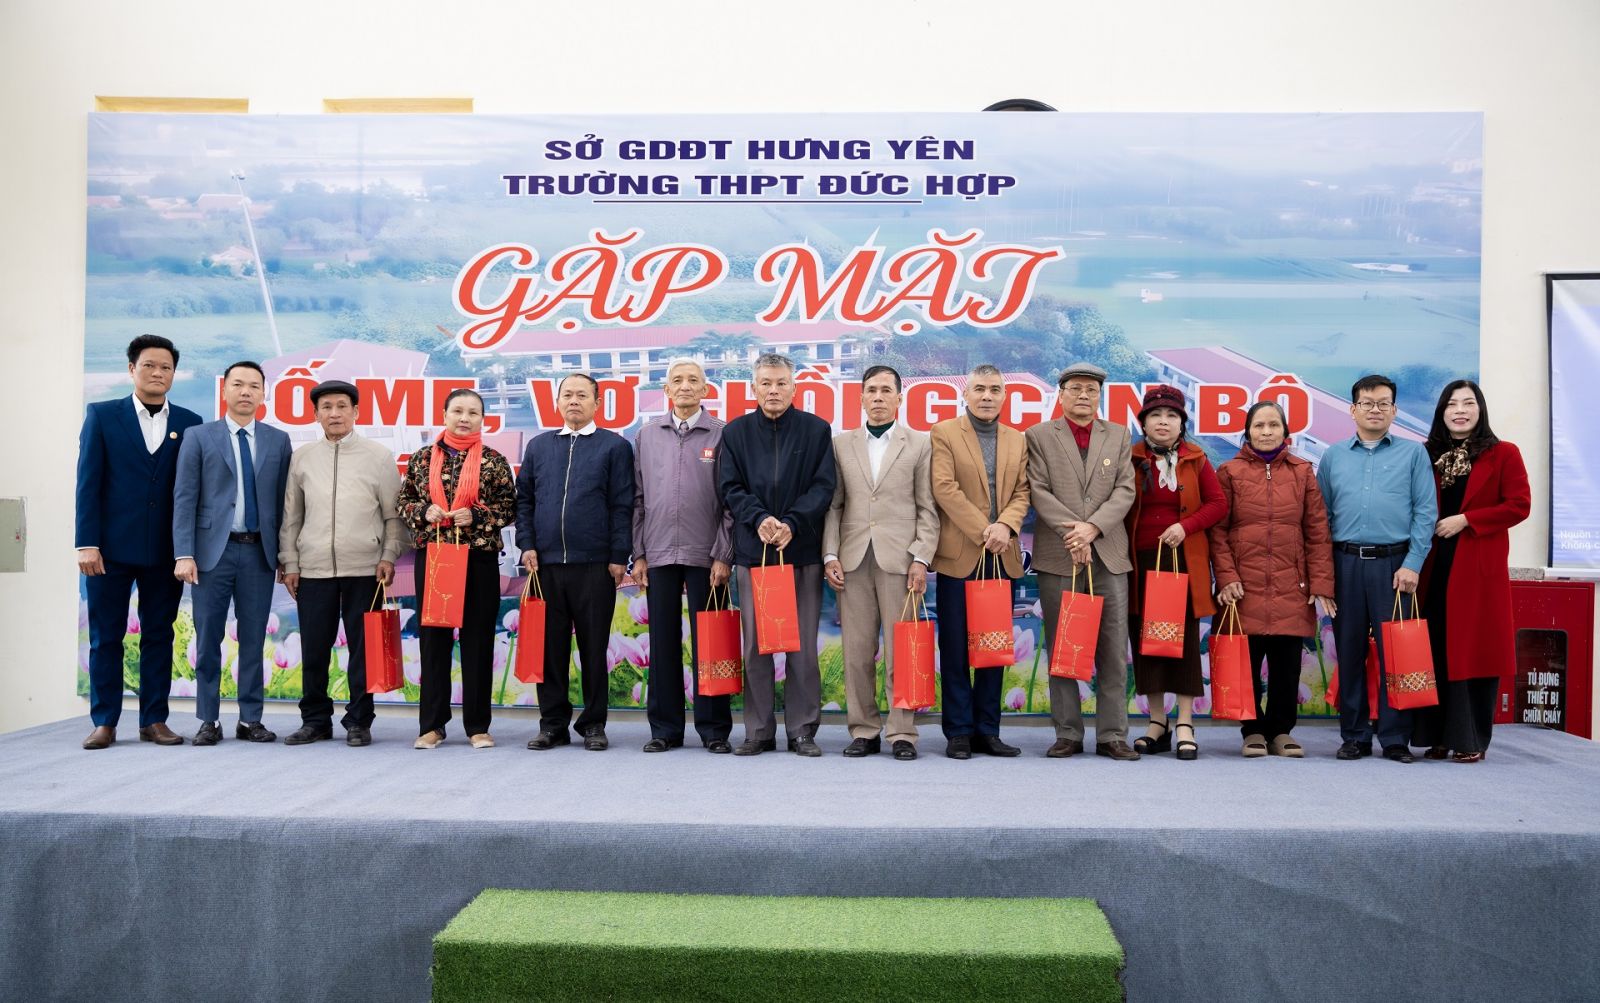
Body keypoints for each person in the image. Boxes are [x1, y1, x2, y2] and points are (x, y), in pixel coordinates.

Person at [76, 335, 203, 749]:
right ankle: (105, 721)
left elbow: (191, 491)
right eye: (149, 365)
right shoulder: (102, 415)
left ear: (174, 374)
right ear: (132, 369)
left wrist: (187, 548)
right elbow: (88, 483)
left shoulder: (190, 422)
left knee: (159, 636)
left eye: (166, 367)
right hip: (108, 551)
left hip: (165, 552)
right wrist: (86, 542)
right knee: (105, 637)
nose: (157, 373)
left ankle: (154, 719)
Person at [718, 353, 837, 756]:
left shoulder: (816, 430)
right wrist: (759, 518)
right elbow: (729, 487)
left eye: (781, 383)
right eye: (766, 383)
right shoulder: (735, 433)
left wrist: (792, 522)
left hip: (800, 551)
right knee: (756, 646)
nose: (773, 390)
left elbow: (824, 487)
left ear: (794, 387)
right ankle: (758, 730)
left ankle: (802, 730)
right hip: (755, 554)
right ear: (753, 388)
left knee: (801, 646)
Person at [278, 380, 406, 748]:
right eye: (327, 407)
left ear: (356, 412)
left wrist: (388, 555)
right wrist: (290, 562)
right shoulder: (303, 457)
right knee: (314, 648)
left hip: (366, 569)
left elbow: (393, 515)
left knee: (364, 650)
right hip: (313, 569)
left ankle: (359, 721)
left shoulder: (378, 456)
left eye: (342, 406)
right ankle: (315, 720)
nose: (334, 414)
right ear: (316, 414)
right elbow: (291, 516)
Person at [1317, 374, 1437, 763]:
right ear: (1353, 409)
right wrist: (1324, 576)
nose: (1375, 409)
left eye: (1383, 403)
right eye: (1367, 403)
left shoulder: (1413, 454)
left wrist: (1413, 563)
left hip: (1395, 567)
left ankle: (1395, 737)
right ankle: (1354, 735)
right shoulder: (1334, 456)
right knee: (1349, 651)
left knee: (1396, 653)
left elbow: (1425, 512)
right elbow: (1320, 519)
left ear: (1394, 410)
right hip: (1345, 564)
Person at [823, 365, 939, 761]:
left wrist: (921, 557)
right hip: (853, 560)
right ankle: (864, 730)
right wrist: (830, 554)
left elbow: (928, 507)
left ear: (899, 398)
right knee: (856, 652)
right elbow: (835, 505)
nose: (878, 397)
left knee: (902, 651)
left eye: (886, 390)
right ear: (860, 397)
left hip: (901, 561)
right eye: (871, 390)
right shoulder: (841, 444)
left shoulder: (920, 443)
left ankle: (902, 732)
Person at [172, 361, 292, 746]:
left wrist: (285, 557)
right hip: (212, 554)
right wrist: (184, 553)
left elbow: (284, 504)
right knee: (208, 639)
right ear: (224, 390)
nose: (245, 392)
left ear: (263, 393)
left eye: (254, 386)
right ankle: (208, 719)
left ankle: (250, 719)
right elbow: (184, 498)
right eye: (238, 384)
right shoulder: (198, 436)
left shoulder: (278, 440)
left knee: (254, 639)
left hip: (259, 553)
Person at [1026, 361, 1139, 761]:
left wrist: (1092, 529)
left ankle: (1112, 735)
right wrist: (1073, 533)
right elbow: (1038, 490)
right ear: (1061, 394)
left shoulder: (1118, 434)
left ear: (1099, 396)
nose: (1083, 396)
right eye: (1075, 388)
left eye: (1091, 390)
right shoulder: (1039, 435)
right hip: (1059, 555)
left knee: (1113, 649)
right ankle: (1068, 733)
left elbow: (1125, 490)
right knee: (1063, 647)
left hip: (1108, 554)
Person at [1210, 401, 1336, 758]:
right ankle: (1252, 731)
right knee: (1246, 663)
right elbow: (1217, 531)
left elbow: (1317, 532)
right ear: (1248, 432)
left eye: (1273, 425)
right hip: (1243, 586)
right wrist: (1226, 577)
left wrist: (1321, 584)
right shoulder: (1229, 471)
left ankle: (1281, 731)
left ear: (1285, 431)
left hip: (1292, 585)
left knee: (1287, 665)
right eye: (1259, 426)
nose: (1266, 432)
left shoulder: (1302, 472)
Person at [1414, 381, 1530, 763]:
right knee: (1436, 648)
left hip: (1476, 567)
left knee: (1471, 653)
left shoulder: (1503, 453)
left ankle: (1470, 740)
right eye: (1452, 404)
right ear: (1442, 412)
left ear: (1480, 409)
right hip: (1432, 566)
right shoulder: (1426, 454)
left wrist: (1466, 519)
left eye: (1468, 403)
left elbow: (1519, 505)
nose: (1460, 411)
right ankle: (1436, 736)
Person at [517, 374, 634, 752]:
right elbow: (525, 501)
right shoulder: (539, 446)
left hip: (594, 566)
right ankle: (552, 724)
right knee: (549, 649)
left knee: (594, 648)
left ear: (597, 404)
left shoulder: (614, 447)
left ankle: (593, 724)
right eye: (567, 395)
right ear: (556, 402)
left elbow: (622, 504)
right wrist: (526, 544)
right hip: (546, 566)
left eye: (582, 395)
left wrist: (618, 555)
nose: (574, 401)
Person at [398, 388, 517, 750]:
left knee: (477, 641)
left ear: (483, 419)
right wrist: (424, 511)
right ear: (445, 415)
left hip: (479, 560)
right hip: (435, 558)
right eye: (458, 411)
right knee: (433, 641)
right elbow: (404, 501)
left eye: (473, 413)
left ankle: (478, 726)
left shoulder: (494, 461)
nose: (465, 418)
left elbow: (509, 508)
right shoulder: (421, 459)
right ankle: (432, 725)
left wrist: (477, 515)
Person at [631, 360, 735, 753]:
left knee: (712, 642)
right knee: (662, 643)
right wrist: (639, 553)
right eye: (678, 380)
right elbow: (638, 498)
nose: (685, 386)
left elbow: (731, 502)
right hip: (658, 552)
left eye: (694, 380)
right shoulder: (647, 435)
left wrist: (723, 553)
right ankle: (665, 729)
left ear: (706, 390)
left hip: (707, 555)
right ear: (667, 389)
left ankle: (714, 729)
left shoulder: (722, 434)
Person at [929, 364, 1031, 760]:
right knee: (955, 647)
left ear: (1004, 396)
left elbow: (1023, 492)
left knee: (994, 647)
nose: (987, 396)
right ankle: (958, 731)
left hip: (1001, 555)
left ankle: (988, 730)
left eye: (994, 389)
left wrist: (1005, 526)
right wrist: (985, 529)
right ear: (966, 394)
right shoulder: (944, 432)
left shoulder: (1017, 439)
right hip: (961, 555)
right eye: (979, 389)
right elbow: (944, 488)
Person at [1122, 385, 1227, 760]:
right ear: (1144, 423)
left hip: (1182, 561)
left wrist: (1186, 526)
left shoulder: (1196, 459)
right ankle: (1156, 721)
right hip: (1139, 563)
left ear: (1182, 423)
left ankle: (1184, 722)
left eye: (1171, 416)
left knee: (1182, 643)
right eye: (1155, 415)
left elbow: (1218, 504)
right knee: (1146, 641)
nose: (1163, 422)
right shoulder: (1130, 458)